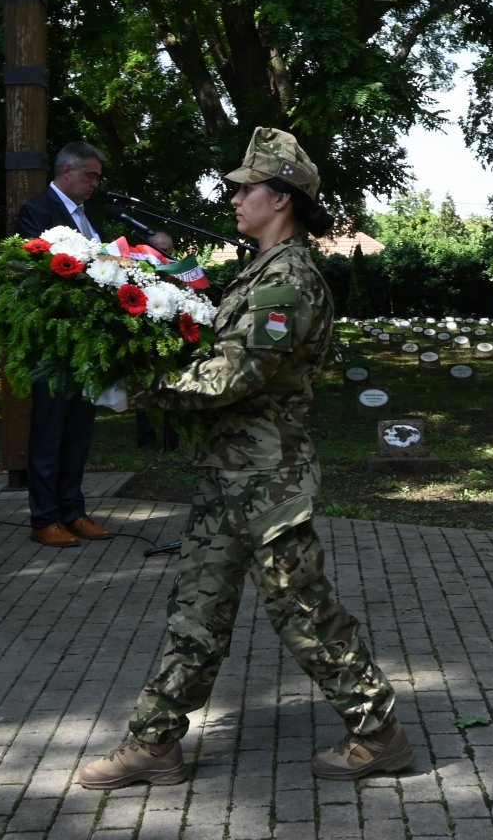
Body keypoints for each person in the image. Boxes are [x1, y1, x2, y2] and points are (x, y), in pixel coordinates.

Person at [79, 128, 411, 789]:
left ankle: (378, 735)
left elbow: (233, 378)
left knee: (302, 610)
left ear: (281, 198)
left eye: (244, 188)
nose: (233, 198)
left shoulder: (287, 282)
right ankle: (155, 742)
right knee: (197, 610)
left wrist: (140, 390)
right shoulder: (260, 273)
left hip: (266, 481)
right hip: (230, 473)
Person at [13, 141, 116, 548]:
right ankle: (44, 518)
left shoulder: (91, 217)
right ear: (67, 171)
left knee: (78, 431)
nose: (95, 184)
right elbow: (36, 273)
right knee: (50, 431)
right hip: (54, 342)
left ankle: (73, 511)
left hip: (85, 343)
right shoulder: (36, 212)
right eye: (90, 175)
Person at [135, 229, 182, 453]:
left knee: (171, 388)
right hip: (143, 343)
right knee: (144, 392)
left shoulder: (179, 273)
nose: (168, 255)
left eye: (170, 250)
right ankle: (147, 440)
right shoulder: (135, 274)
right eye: (162, 251)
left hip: (171, 343)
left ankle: (171, 439)